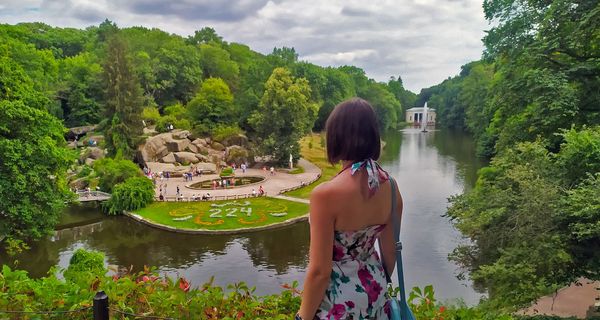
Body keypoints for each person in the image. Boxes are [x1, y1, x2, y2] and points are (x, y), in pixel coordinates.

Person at [296, 98, 402, 320]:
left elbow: (320, 272)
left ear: (336, 137)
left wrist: (302, 317)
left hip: (339, 303)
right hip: (376, 292)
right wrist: (373, 283)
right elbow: (390, 252)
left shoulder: (326, 195)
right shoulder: (391, 187)